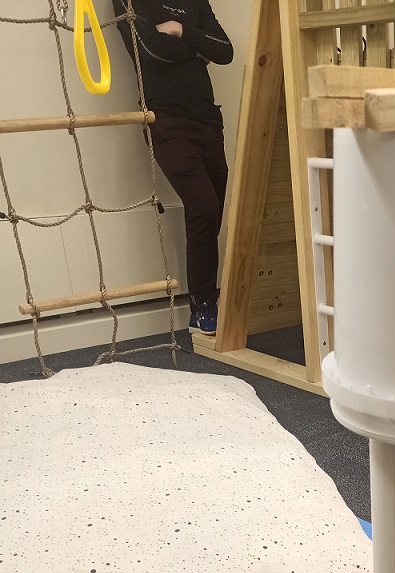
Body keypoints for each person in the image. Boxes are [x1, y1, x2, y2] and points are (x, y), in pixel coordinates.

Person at [112, 0, 234, 336]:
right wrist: (198, 48)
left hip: (208, 120)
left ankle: (204, 302)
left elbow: (224, 51)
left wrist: (180, 30)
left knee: (212, 210)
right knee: (204, 206)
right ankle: (203, 305)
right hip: (166, 120)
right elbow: (152, 51)